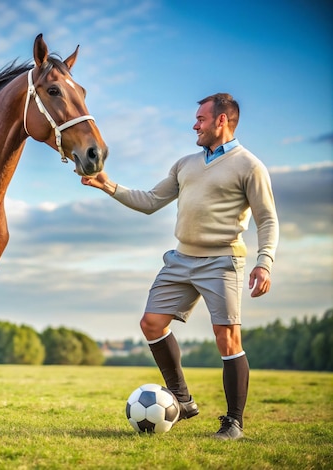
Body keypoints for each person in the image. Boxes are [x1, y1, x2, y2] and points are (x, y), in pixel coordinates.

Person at [81, 93, 279, 440]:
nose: (194, 124)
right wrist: (107, 185)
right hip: (180, 258)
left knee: (227, 339)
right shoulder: (185, 163)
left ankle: (234, 422)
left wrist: (264, 263)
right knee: (151, 323)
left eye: (201, 119)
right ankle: (183, 400)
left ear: (222, 120)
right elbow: (150, 201)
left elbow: (267, 220)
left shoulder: (250, 166)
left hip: (222, 260)